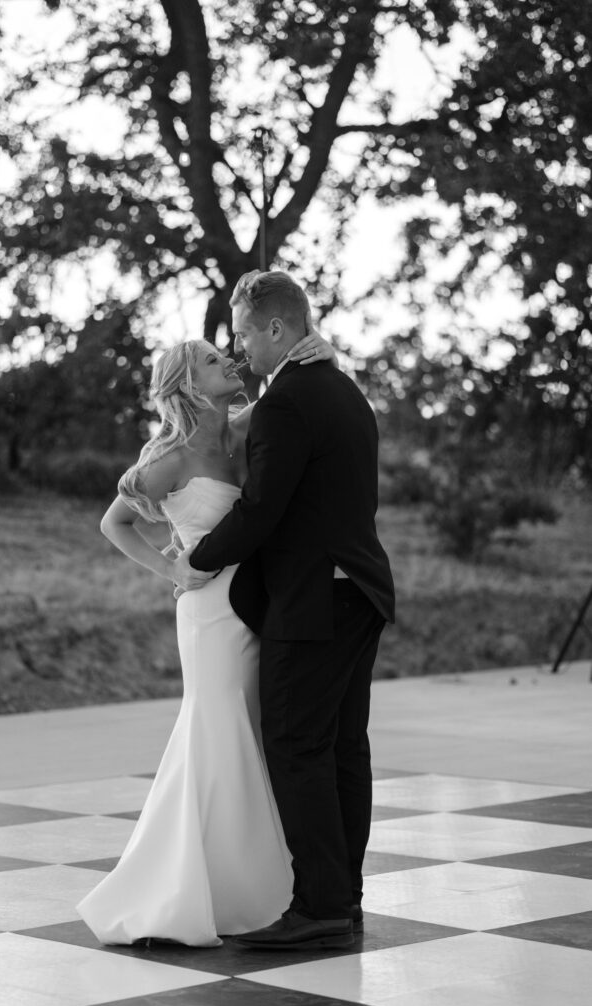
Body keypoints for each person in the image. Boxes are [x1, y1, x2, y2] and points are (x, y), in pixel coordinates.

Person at [76, 321, 336, 947]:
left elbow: (287, 394)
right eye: (217, 359)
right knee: (218, 728)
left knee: (250, 726)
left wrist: (322, 350)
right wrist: (171, 566)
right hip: (208, 612)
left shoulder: (242, 427)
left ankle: (258, 884)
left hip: (257, 605)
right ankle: (199, 889)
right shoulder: (168, 457)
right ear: (189, 383)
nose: (232, 361)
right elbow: (114, 523)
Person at [176, 270, 395, 952]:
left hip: (314, 599)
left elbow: (261, 510)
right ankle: (342, 896)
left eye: (243, 334)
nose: (240, 350)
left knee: (297, 746)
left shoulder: (288, 402)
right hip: (357, 589)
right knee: (340, 749)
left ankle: (320, 905)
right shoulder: (342, 390)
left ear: (276, 328)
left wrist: (199, 558)